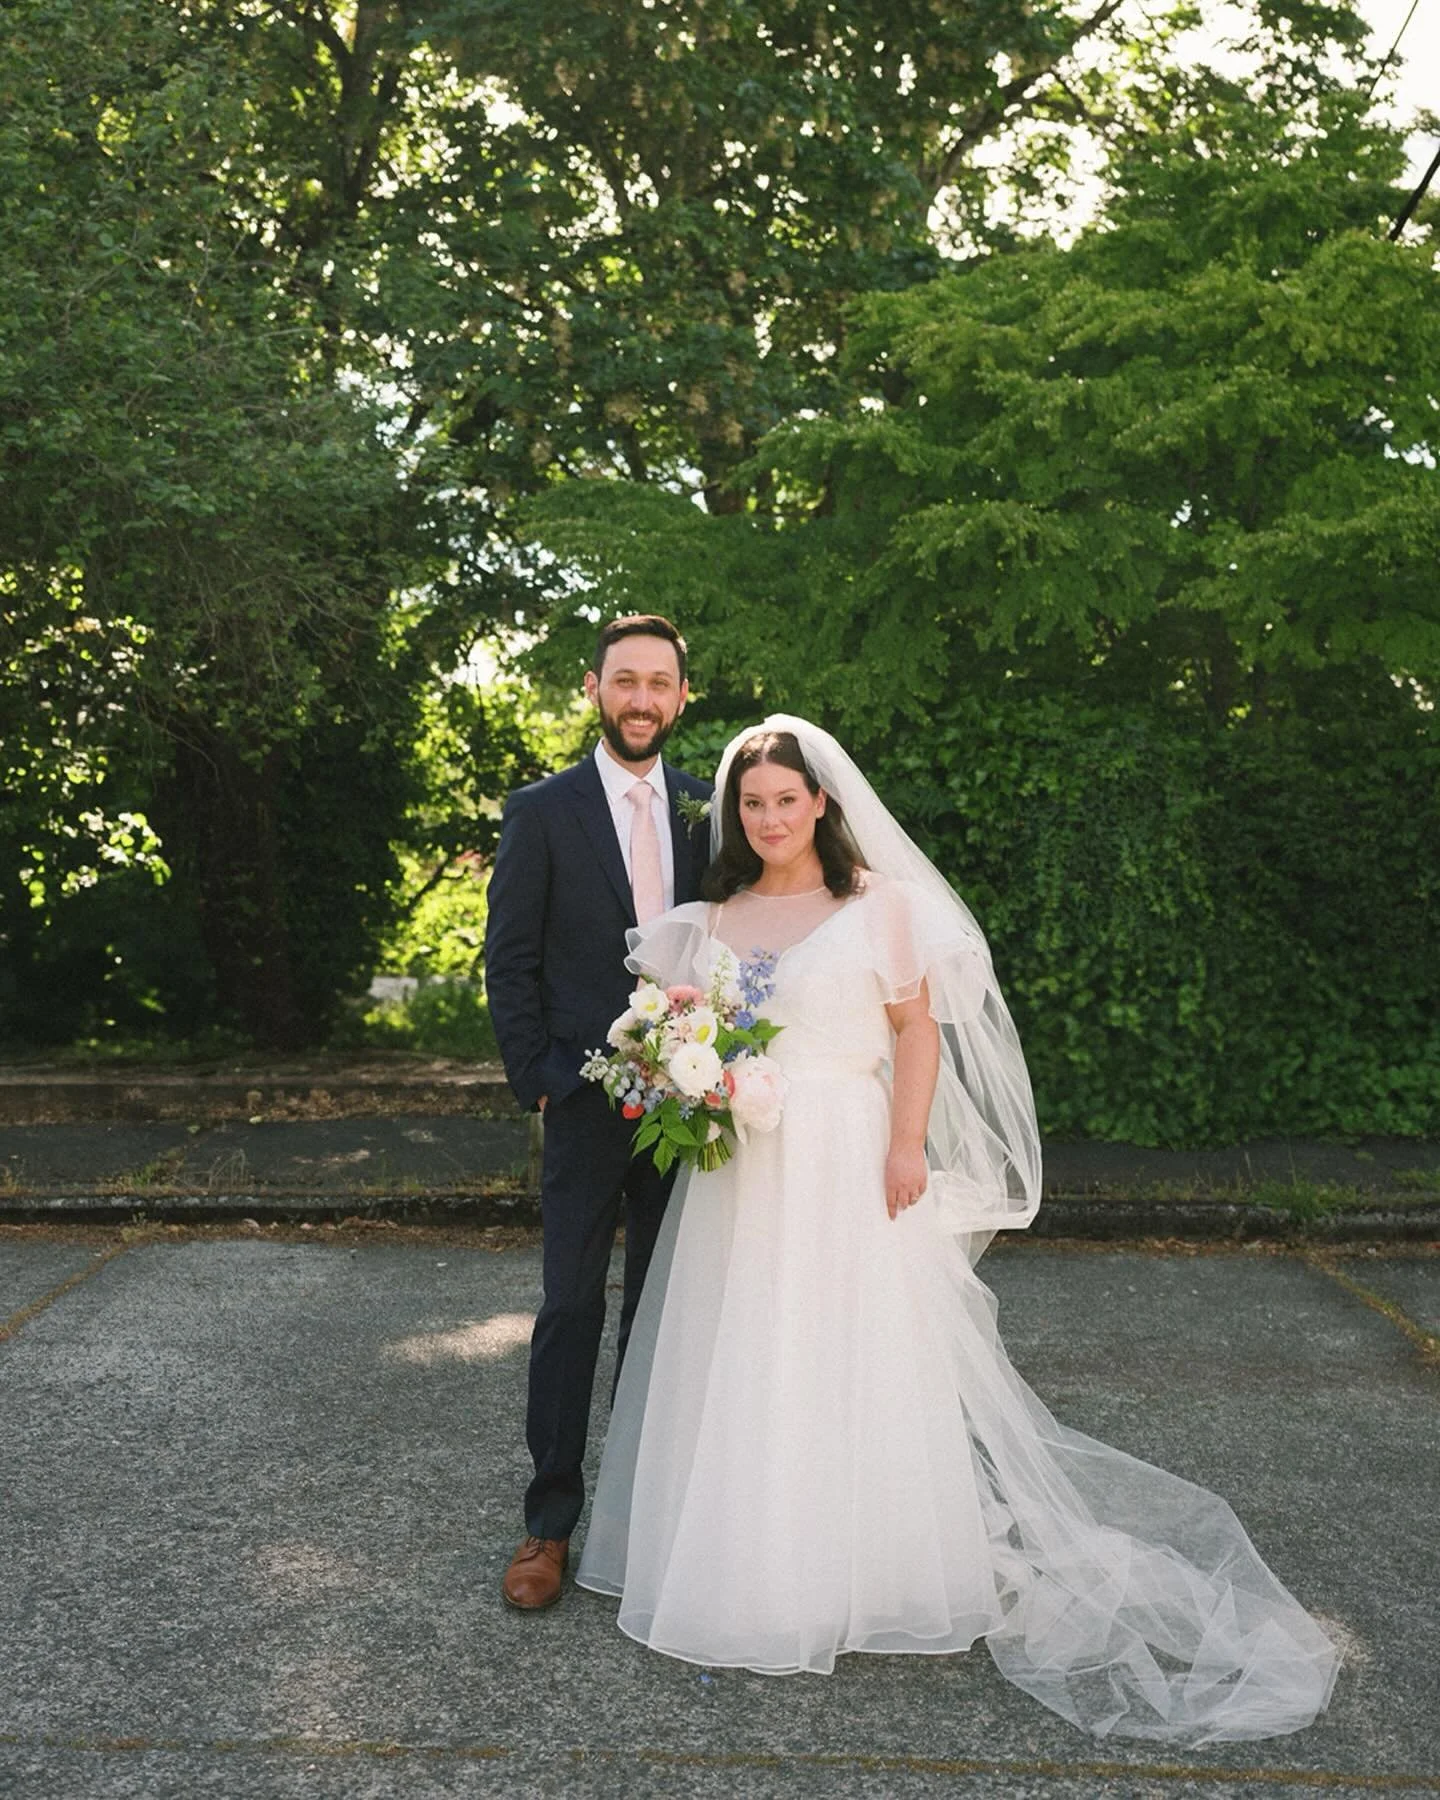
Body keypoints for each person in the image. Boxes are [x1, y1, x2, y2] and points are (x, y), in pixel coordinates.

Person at [576, 716, 1340, 1744]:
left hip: (850, 1147)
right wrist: (692, 1084)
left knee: (861, 1348)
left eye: (785, 801)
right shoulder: (715, 915)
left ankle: (876, 1567)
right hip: (746, 1168)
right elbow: (682, 1033)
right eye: (751, 803)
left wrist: (906, 1145)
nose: (768, 818)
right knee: (751, 1350)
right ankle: (751, 1568)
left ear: (822, 805)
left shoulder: (879, 906)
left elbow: (917, 1032)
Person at [484, 615, 712, 1611]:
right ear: (594, 689)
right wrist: (537, 1074)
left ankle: (648, 1517)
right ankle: (549, 1525)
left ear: (680, 698)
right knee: (571, 1308)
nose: (641, 698)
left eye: (659, 683)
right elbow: (511, 954)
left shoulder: (711, 814)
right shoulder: (542, 810)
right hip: (582, 1099)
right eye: (626, 680)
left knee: (667, 1317)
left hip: (688, 1106)